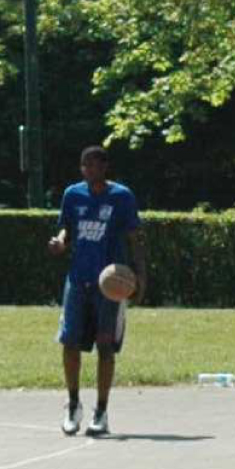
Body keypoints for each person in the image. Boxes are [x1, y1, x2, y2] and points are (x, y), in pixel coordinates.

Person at [47, 142, 148, 437]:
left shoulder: (122, 196)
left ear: (105, 167)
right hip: (78, 279)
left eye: (94, 164)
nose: (89, 169)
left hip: (110, 283)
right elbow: (67, 229)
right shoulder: (73, 194)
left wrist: (141, 275)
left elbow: (135, 237)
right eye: (85, 165)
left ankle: (101, 411)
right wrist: (60, 242)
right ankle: (73, 404)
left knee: (105, 346)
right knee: (69, 342)